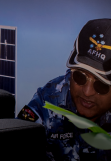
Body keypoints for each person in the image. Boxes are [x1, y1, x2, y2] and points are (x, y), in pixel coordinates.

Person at [18, 19, 111, 160]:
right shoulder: (46, 100)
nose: (87, 92)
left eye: (101, 85)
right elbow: (15, 141)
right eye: (80, 77)